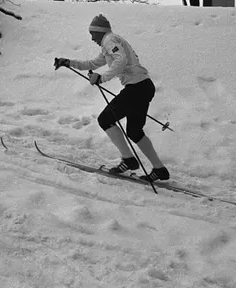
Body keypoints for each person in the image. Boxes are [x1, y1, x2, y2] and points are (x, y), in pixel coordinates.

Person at [55, 14, 170, 182]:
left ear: (99, 31)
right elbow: (92, 64)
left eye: (92, 34)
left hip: (136, 88)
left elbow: (121, 60)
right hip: (143, 87)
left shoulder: (109, 40)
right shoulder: (108, 44)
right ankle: (159, 169)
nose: (92, 38)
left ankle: (129, 160)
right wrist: (69, 62)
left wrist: (101, 78)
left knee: (105, 119)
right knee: (134, 131)